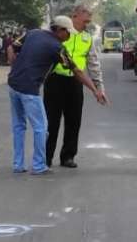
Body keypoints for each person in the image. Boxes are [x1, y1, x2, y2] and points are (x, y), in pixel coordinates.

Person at [7, 17, 107, 175]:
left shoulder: (33, 33)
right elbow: (77, 71)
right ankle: (39, 165)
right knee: (41, 128)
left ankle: (18, 164)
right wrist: (95, 90)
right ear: (60, 30)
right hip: (29, 89)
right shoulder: (57, 47)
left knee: (19, 126)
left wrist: (14, 67)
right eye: (68, 32)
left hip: (13, 85)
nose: (69, 36)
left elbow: (11, 48)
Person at [44, 4, 105, 169]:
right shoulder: (62, 33)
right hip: (55, 80)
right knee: (51, 121)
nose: (87, 25)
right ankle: (46, 157)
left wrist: (99, 88)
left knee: (74, 120)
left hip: (76, 82)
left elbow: (93, 64)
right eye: (85, 21)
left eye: (89, 22)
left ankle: (68, 156)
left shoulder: (87, 38)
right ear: (75, 16)